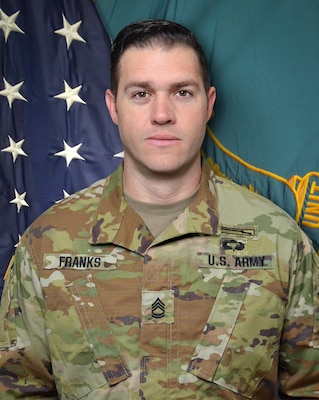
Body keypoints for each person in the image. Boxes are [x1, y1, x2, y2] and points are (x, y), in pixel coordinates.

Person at [0, 19, 319, 400]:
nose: (162, 114)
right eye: (141, 94)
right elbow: (18, 389)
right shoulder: (46, 244)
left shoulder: (279, 242)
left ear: (209, 104)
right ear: (112, 106)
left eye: (182, 92)